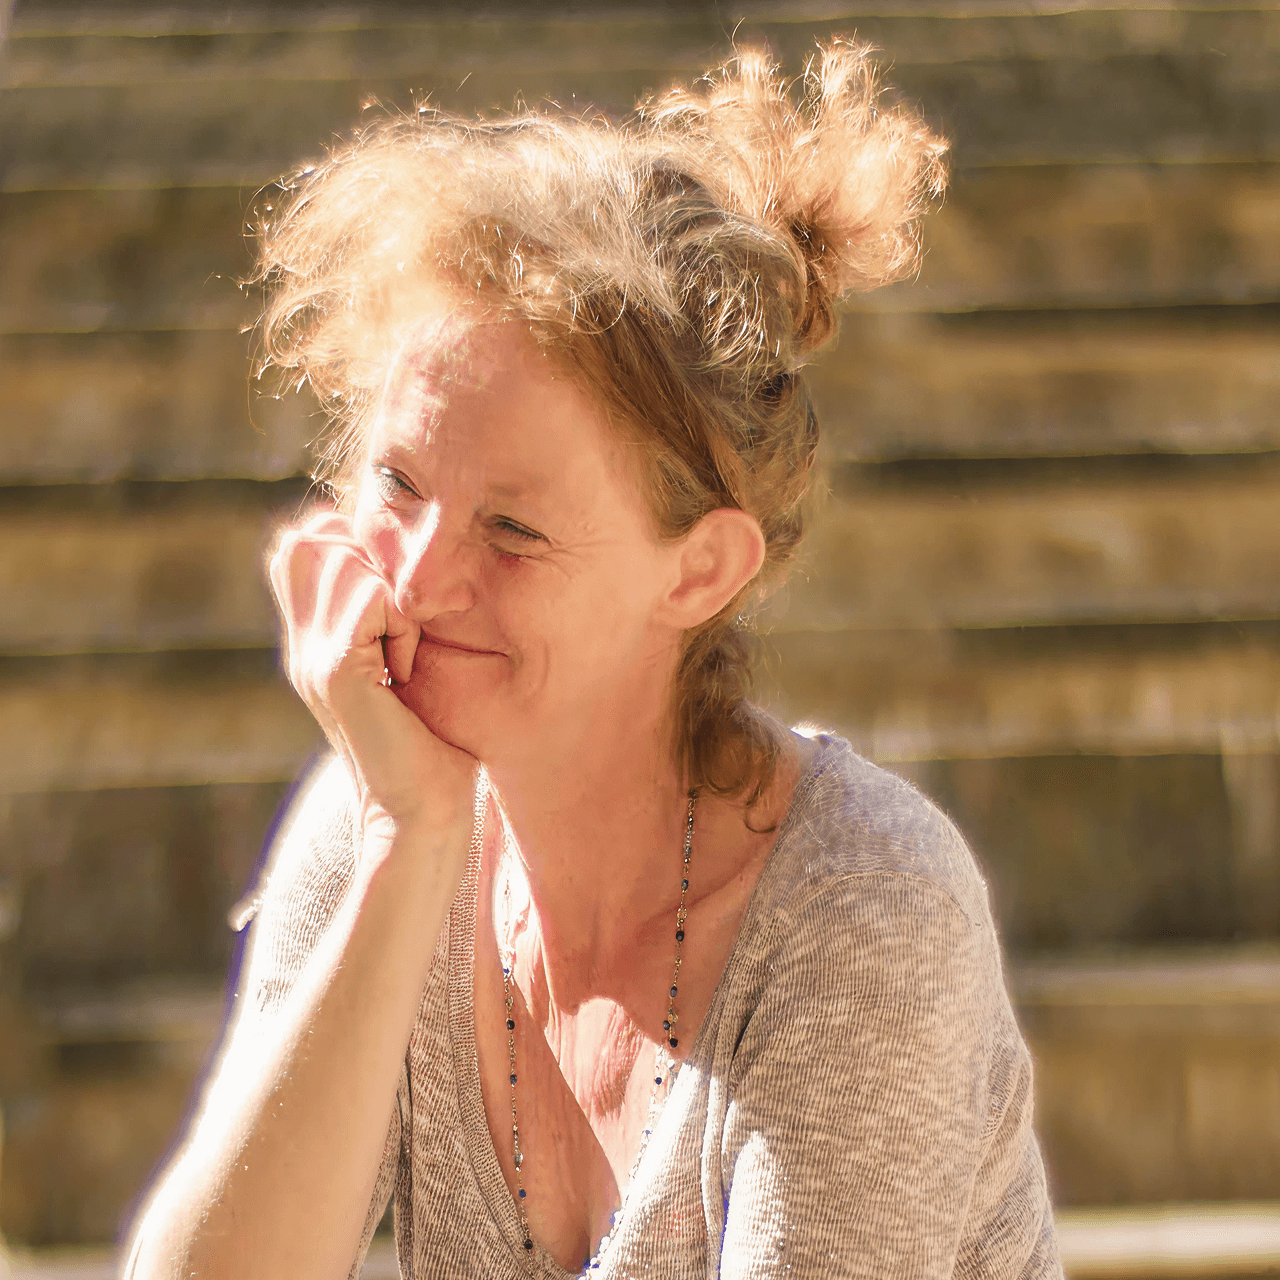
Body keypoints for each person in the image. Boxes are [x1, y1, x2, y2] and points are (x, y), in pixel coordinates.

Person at [125, 42, 1062, 1280]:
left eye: (510, 529)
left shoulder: (867, 910)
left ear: (698, 572)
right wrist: (407, 849)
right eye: (397, 482)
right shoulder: (376, 826)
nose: (410, 576)